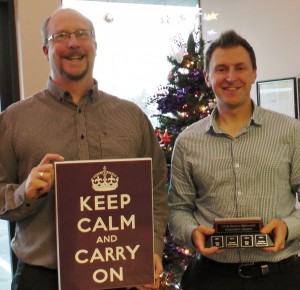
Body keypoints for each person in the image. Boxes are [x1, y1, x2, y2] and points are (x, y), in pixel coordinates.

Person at [0, 7, 168, 290]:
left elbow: (157, 191)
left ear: (95, 45)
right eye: (61, 36)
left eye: (82, 34)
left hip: (121, 275)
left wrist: (151, 247)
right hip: (41, 279)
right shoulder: (14, 120)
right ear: (45, 50)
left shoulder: (132, 117)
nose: (73, 43)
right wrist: (23, 192)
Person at [168, 30, 300, 290]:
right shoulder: (187, 141)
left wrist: (289, 226)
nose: (231, 77)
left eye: (240, 68)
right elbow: (177, 209)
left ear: (254, 74)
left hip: (280, 277)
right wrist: (193, 233)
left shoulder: (290, 131)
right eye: (221, 69)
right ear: (207, 77)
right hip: (210, 278)